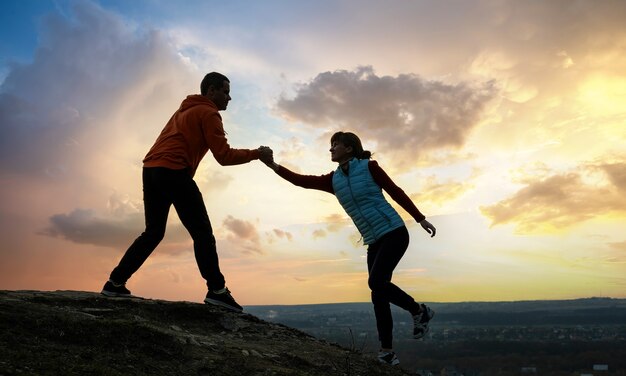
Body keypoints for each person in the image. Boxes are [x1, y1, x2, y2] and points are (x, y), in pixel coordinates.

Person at [101, 72, 273, 312]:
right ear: (211, 91)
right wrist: (257, 153)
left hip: (151, 170)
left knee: (153, 232)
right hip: (173, 171)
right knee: (202, 233)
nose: (230, 98)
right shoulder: (208, 112)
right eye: (225, 91)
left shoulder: (183, 111)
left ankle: (115, 282)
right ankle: (217, 291)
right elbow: (223, 156)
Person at [262, 131, 436, 365]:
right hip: (373, 240)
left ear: (349, 148)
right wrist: (272, 164)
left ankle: (418, 310)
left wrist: (419, 218)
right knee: (378, 294)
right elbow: (300, 181)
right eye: (330, 145)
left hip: (394, 232)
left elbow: (395, 191)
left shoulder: (369, 167)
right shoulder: (333, 180)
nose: (331, 149)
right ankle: (387, 352)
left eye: (335, 145)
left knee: (375, 282)